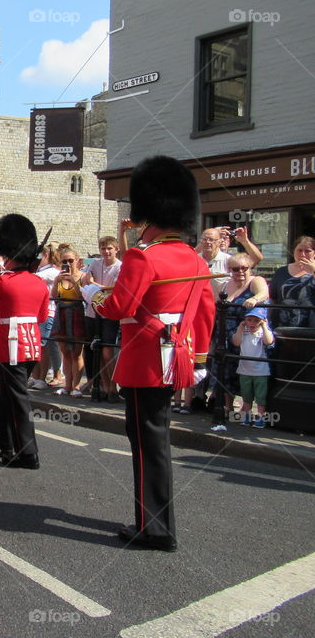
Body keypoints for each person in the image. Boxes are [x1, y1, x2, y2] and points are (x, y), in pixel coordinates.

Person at [93, 155, 215, 552]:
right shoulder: (195, 258)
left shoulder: (144, 256)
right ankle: (156, 521)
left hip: (146, 356)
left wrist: (92, 293)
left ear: (152, 212)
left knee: (145, 439)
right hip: (176, 354)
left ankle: (156, 527)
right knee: (156, 437)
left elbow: (119, 308)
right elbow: (206, 313)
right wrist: (197, 360)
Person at [0, 214, 49, 470]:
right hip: (32, 346)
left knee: (17, 397)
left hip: (11, 347)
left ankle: (28, 451)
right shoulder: (39, 282)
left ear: (7, 252)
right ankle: (4, 438)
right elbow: (42, 316)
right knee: (8, 391)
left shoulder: (3, 280)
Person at [208, 254, 269, 429]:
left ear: (250, 268)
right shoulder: (225, 284)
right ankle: (227, 407)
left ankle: (247, 409)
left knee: (245, 372)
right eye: (235, 269)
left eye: (244, 268)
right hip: (224, 334)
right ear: (230, 270)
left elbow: (264, 293)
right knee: (224, 370)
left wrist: (254, 299)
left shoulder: (255, 280)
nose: (240, 272)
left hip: (247, 335)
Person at [82, 236, 122, 403]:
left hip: (108, 314)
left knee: (107, 352)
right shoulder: (95, 264)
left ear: (116, 249)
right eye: (103, 249)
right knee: (96, 350)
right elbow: (85, 281)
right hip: (93, 312)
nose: (106, 252)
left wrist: (93, 285)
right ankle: (104, 387)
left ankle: (113, 387)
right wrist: (89, 282)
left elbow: (112, 290)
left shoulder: (120, 267)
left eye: (109, 249)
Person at [50, 245, 85, 396]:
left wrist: (73, 281)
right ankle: (67, 385)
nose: (68, 264)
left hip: (77, 312)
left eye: (71, 260)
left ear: (77, 261)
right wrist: (58, 280)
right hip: (62, 313)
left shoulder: (83, 276)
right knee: (65, 352)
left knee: (76, 353)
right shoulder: (59, 277)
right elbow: (54, 297)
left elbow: (82, 297)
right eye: (65, 261)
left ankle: (76, 385)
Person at [231, 307, 275, 428]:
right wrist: (240, 327)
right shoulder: (243, 331)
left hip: (261, 371)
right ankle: (247, 416)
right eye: (249, 320)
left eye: (256, 321)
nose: (252, 323)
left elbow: (268, 341)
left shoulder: (263, 332)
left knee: (260, 396)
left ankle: (260, 417)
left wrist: (265, 327)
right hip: (245, 369)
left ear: (262, 321)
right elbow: (236, 342)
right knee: (246, 395)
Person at [31, 242, 62, 389]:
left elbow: (32, 278)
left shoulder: (51, 271)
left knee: (43, 346)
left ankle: (42, 378)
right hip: (36, 312)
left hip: (48, 312)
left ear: (46, 256)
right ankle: (35, 376)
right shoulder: (41, 269)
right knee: (36, 346)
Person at [269, 236, 315, 329]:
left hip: (310, 325)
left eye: (307, 251)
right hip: (283, 324)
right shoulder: (281, 271)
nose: (302, 254)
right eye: (299, 250)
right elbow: (273, 298)